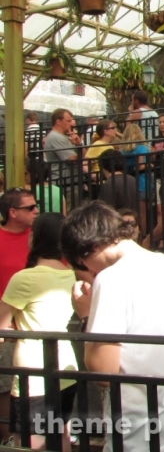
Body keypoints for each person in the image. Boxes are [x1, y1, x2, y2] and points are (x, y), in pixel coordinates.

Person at [64, 201, 164, 452]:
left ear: (90, 248)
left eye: (82, 264)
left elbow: (104, 372)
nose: (88, 272)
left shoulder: (110, 279)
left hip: (135, 427)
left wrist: (85, 316)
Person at [0, 213, 77, 452]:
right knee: (61, 433)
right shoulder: (71, 273)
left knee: (28, 441)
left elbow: (1, 325)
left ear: (35, 237)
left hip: (33, 372)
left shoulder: (25, 278)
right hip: (67, 366)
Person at [0, 188, 38, 444]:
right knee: (4, 385)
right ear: (12, 212)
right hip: (7, 326)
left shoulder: (38, 239)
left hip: (35, 325)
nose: (36, 211)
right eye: (30, 207)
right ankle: (6, 438)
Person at [119, 123, 151, 234]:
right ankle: (141, 237)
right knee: (142, 215)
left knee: (128, 213)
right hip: (142, 183)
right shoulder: (142, 148)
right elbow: (140, 166)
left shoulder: (122, 151)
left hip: (127, 184)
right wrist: (150, 165)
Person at [43, 108, 79, 189]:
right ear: (58, 121)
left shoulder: (62, 137)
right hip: (64, 185)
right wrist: (82, 153)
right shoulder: (56, 137)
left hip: (69, 182)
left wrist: (78, 144)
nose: (71, 124)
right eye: (68, 121)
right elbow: (72, 159)